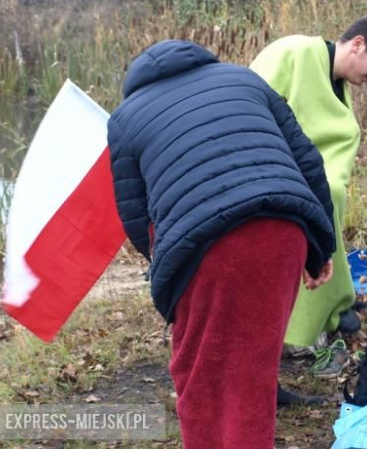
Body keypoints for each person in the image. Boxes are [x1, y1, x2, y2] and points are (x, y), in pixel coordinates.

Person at [108, 40, 336, 448]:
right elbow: (308, 161)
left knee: (203, 373)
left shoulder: (125, 117)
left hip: (204, 249)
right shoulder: (243, 77)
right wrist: (321, 248)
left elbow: (135, 215)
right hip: (283, 233)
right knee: (251, 366)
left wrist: (168, 270)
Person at [250, 15, 367, 350]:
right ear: (358, 44)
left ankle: (337, 306)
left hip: (310, 184)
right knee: (324, 197)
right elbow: (250, 105)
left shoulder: (339, 87)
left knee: (328, 197)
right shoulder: (296, 52)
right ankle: (310, 326)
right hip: (269, 171)